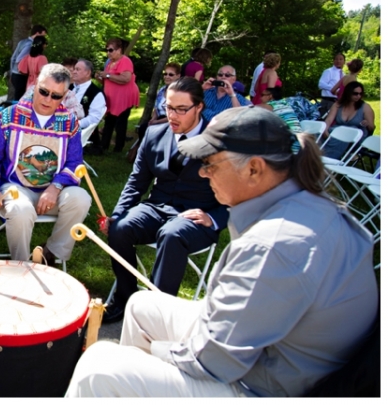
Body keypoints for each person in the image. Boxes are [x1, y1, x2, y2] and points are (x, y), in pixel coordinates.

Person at [66, 106, 378, 397]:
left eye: (210, 164)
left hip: (274, 387)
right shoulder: (310, 205)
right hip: (277, 352)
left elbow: (214, 360)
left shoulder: (275, 245)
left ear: (254, 169)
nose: (203, 174)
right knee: (143, 305)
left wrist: (153, 353)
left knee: (100, 367)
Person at [102, 77, 228, 323]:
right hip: (157, 206)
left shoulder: (219, 142)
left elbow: (240, 192)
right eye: (169, 107)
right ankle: (126, 298)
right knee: (119, 228)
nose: (173, 115)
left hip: (198, 215)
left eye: (181, 109)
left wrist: (214, 217)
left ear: (199, 107)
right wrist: (117, 214)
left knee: (172, 234)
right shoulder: (154, 133)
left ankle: (155, 313)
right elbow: (137, 181)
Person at [0, 64, 92, 265]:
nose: (48, 99)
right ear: (35, 86)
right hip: (15, 187)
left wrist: (55, 187)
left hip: (53, 191)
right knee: (20, 210)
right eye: (44, 91)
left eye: (56, 96)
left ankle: (50, 253)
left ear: (64, 96)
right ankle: (21, 265)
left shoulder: (69, 122)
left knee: (81, 198)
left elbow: (74, 162)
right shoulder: (8, 117)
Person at [95, 38, 137, 153]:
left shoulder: (125, 61)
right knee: (109, 122)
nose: (108, 52)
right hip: (112, 99)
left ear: (119, 50)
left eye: (111, 50)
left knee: (120, 123)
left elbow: (126, 78)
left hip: (123, 99)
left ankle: (118, 148)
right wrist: (100, 78)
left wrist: (107, 75)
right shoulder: (110, 63)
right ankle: (104, 145)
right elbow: (109, 81)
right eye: (107, 50)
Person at [322, 81, 375, 159]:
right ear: (348, 93)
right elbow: (329, 120)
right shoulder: (338, 104)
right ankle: (309, 158)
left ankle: (327, 159)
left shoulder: (365, 107)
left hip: (355, 137)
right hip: (337, 132)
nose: (358, 96)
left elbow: (371, 128)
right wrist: (325, 129)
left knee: (344, 134)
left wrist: (367, 124)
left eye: (360, 94)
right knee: (315, 135)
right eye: (355, 93)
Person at [258, 86, 303, 152]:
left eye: (262, 95)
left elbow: (252, 109)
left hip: (289, 143)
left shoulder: (271, 105)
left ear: (270, 96)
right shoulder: (284, 103)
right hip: (299, 141)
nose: (260, 98)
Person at [9, 25, 48, 101]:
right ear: (37, 33)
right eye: (42, 35)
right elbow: (18, 59)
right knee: (20, 99)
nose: (43, 38)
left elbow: (13, 58)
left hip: (15, 73)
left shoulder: (22, 42)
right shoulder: (30, 45)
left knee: (18, 97)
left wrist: (12, 72)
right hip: (21, 75)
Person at [71, 58, 106, 133]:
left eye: (77, 69)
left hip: (80, 133)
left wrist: (74, 124)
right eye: (74, 69)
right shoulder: (68, 87)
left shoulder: (96, 93)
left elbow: (94, 118)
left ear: (88, 73)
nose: (74, 72)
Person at [318, 52, 345, 116]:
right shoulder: (329, 71)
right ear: (333, 61)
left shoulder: (343, 74)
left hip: (338, 102)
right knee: (326, 121)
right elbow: (321, 84)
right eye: (336, 59)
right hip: (328, 101)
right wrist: (334, 89)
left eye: (341, 59)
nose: (338, 61)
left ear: (344, 61)